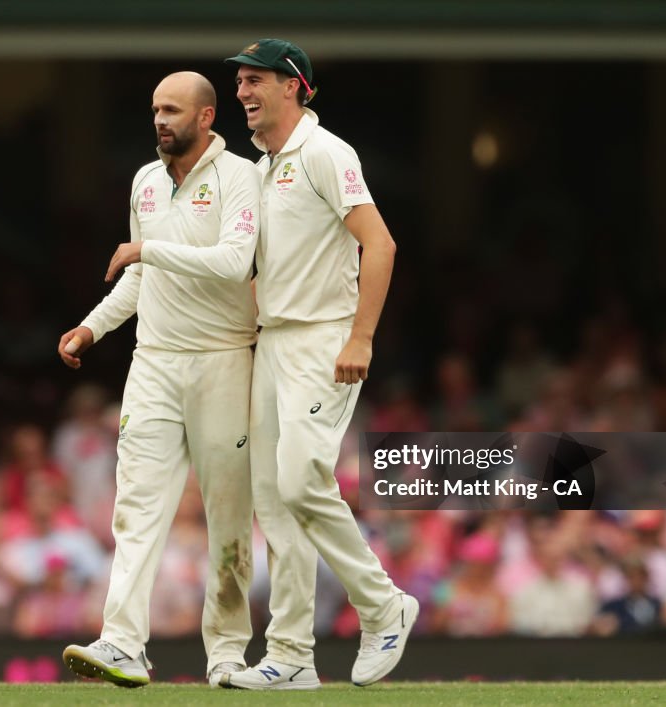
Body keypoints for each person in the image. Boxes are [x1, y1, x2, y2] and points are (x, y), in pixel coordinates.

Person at [223, 39, 418, 690]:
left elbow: (380, 243)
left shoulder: (325, 152)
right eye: (240, 82)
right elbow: (267, 270)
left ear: (292, 86)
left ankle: (383, 604)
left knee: (303, 479)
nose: (243, 92)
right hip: (274, 343)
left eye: (256, 81)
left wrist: (360, 337)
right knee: (276, 501)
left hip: (324, 340)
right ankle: (292, 655)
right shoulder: (264, 164)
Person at [59, 71, 260, 688]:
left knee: (227, 513)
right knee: (137, 506)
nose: (159, 120)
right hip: (153, 361)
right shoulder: (146, 181)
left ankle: (227, 654)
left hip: (223, 358)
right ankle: (122, 643)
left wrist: (148, 250)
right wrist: (92, 327)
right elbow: (141, 281)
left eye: (172, 110)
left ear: (206, 118)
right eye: (154, 110)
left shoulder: (241, 177)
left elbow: (234, 264)